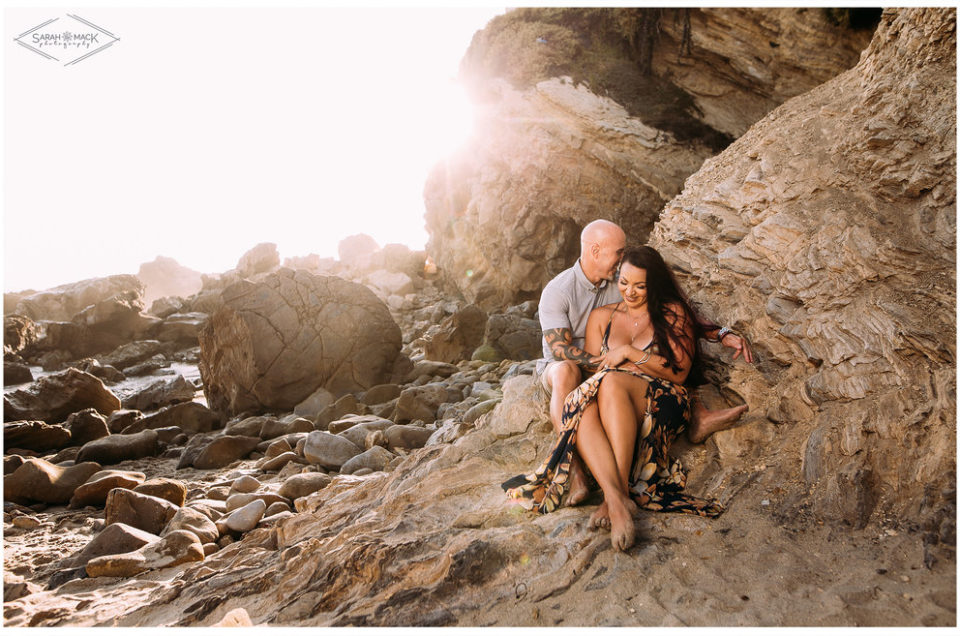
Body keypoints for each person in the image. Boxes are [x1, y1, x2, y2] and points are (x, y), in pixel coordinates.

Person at [506, 246, 743, 551]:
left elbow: (679, 373)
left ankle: (612, 497)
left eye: (640, 286)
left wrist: (631, 354)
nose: (629, 292)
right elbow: (596, 371)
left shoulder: (673, 313)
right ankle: (618, 499)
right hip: (613, 396)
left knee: (613, 380)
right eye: (624, 282)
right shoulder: (601, 317)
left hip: (663, 400)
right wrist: (613, 371)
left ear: (653, 285)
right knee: (581, 399)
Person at [536, 220, 752, 506]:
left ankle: (694, 416)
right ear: (596, 251)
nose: (623, 258)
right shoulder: (559, 290)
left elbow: (673, 310)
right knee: (568, 373)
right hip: (568, 362)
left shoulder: (621, 279)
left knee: (650, 356)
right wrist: (611, 362)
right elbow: (559, 349)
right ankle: (575, 471)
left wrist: (719, 333)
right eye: (618, 252)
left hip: (618, 366)